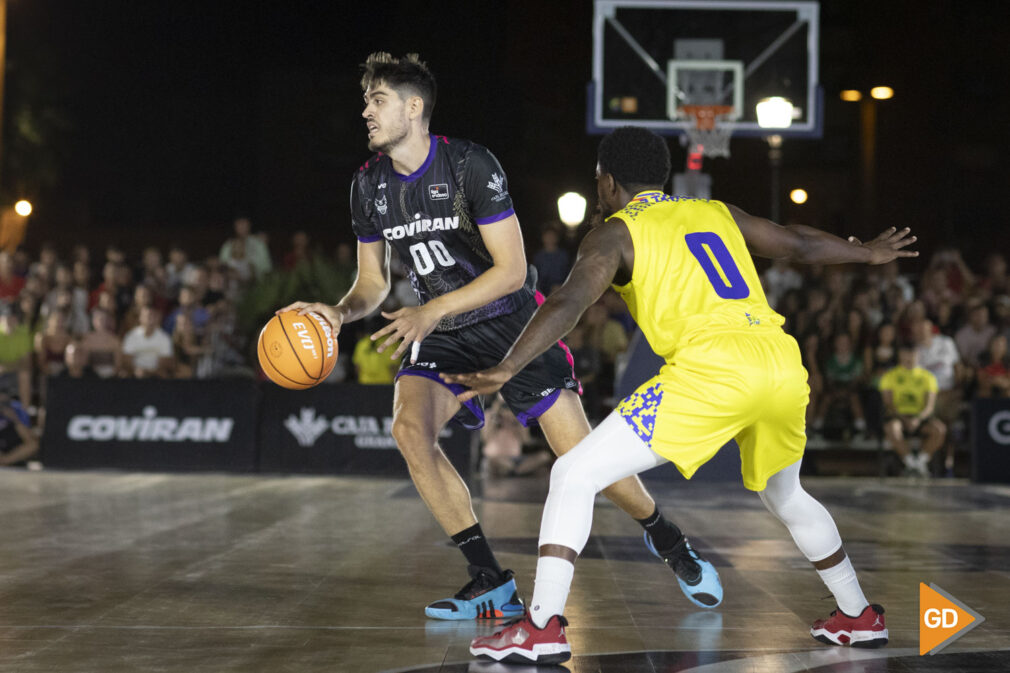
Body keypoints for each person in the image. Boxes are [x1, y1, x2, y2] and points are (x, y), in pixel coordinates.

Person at [447, 127, 916, 663]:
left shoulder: (616, 232)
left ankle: (542, 627)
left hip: (712, 370)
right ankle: (857, 614)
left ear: (607, 182)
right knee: (786, 494)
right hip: (780, 363)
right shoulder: (717, 212)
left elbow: (569, 302)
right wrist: (869, 255)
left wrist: (507, 365)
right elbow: (799, 243)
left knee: (572, 473)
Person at [281, 54, 718, 621]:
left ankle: (666, 538)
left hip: (512, 326)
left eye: (377, 100)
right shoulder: (368, 186)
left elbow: (510, 271)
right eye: (366, 101)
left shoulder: (468, 165)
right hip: (441, 331)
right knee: (410, 430)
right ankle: (489, 579)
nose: (365, 111)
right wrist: (339, 315)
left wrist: (430, 310)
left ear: (413, 108)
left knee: (584, 461)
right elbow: (371, 282)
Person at [879, 343, 946, 477]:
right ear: (900, 356)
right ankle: (910, 463)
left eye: (912, 354)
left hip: (919, 417)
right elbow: (888, 404)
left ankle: (920, 462)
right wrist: (904, 419)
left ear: (918, 355)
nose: (909, 358)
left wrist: (917, 419)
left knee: (940, 430)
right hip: (898, 415)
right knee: (893, 428)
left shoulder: (928, 377)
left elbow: (929, 406)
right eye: (905, 355)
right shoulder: (889, 376)